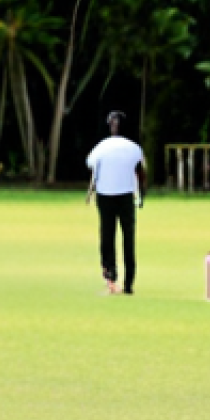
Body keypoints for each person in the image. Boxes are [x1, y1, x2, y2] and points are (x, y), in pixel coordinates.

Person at [86, 111, 147, 295]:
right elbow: (141, 172)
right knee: (128, 238)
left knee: (107, 236)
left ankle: (111, 277)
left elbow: (93, 168)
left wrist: (89, 191)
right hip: (125, 196)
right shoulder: (134, 148)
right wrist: (141, 195)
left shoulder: (101, 146)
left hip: (106, 196)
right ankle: (128, 283)